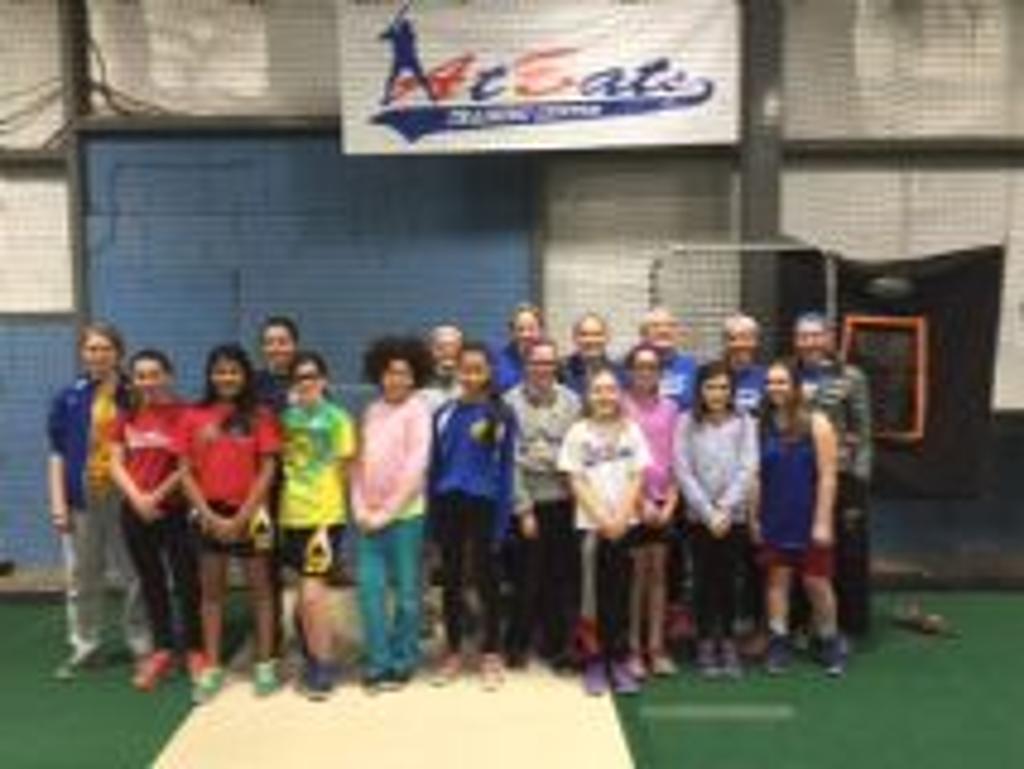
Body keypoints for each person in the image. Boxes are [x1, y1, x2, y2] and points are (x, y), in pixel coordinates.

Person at [177, 344, 282, 703]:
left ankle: (265, 663)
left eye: (234, 371)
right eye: (220, 371)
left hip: (251, 515)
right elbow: (184, 472)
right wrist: (209, 515)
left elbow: (268, 468)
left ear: (245, 375)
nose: (227, 377)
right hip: (210, 515)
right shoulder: (193, 415)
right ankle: (212, 666)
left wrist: (244, 515)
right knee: (211, 595)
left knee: (262, 592)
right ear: (210, 375)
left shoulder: (261, 415)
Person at [47, 322, 149, 680]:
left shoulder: (135, 395)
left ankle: (142, 644)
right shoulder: (68, 397)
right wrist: (58, 504)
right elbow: (57, 454)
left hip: (125, 497)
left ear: (118, 353)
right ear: (82, 353)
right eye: (92, 348)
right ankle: (85, 644)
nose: (98, 355)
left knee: (135, 573)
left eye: (106, 348)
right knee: (83, 575)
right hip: (82, 499)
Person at [110, 349, 203, 691]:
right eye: (141, 376)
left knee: (187, 581)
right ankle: (162, 650)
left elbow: (188, 465)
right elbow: (116, 462)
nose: (147, 382)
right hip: (135, 512)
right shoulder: (127, 416)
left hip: (175, 511)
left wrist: (156, 497)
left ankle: (194, 650)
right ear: (133, 380)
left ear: (168, 376)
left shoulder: (187, 414)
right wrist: (137, 498)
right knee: (151, 581)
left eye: (154, 374)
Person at [428, 342, 516, 690]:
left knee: (486, 579)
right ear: (457, 370)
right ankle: (453, 651)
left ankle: (491, 652)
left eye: (478, 369)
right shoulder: (443, 413)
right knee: (450, 580)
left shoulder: (502, 414)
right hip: (449, 503)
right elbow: (435, 468)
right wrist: (433, 516)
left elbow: (506, 470)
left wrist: (502, 520)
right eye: (466, 369)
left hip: (485, 505)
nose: (471, 376)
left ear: (489, 372)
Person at [558, 368, 649, 696]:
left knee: (620, 595)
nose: (605, 396)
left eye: (611, 389)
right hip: (591, 528)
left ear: (619, 394)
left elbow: (637, 476)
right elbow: (575, 479)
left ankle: (619, 660)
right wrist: (602, 518)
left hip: (625, 526)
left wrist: (621, 516)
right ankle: (594, 661)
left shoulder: (631, 430)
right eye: (598, 390)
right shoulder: (577, 432)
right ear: (588, 395)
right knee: (591, 598)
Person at [755, 360, 846, 676]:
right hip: (774, 515)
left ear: (795, 386)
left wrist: (822, 521)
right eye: (770, 382)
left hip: (809, 516)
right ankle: (778, 641)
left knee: (816, 582)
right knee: (777, 581)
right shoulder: (762, 424)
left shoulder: (817, 423)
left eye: (781, 382)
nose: (775, 388)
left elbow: (828, 476)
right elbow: (756, 476)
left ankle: (829, 639)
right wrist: (755, 518)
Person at [352, 337, 433, 693]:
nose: (396, 379)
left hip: (406, 517)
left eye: (404, 373)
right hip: (368, 519)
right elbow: (358, 464)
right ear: (379, 375)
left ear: (415, 378)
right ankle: (378, 660)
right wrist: (360, 508)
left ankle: (403, 659)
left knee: (407, 595)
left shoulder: (418, 411)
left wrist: (386, 513)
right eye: (389, 372)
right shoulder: (371, 411)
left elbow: (416, 467)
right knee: (369, 591)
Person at [278, 351, 356, 700]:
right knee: (303, 595)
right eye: (299, 377)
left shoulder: (338, 419)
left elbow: (345, 473)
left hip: (324, 518)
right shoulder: (286, 419)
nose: (306, 382)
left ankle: (324, 664)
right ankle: (312, 655)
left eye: (311, 376)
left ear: (323, 380)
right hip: (291, 516)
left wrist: (330, 519)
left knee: (312, 594)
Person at [674, 361, 758, 679]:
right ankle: (706, 640)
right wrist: (708, 512)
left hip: (732, 517)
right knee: (703, 580)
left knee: (730, 580)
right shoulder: (686, 422)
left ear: (732, 391)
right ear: (700, 390)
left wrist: (724, 508)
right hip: (699, 518)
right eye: (711, 387)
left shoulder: (745, 422)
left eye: (724, 387)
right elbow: (682, 469)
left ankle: (729, 640)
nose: (717, 393)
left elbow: (748, 467)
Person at [793, 313, 873, 638]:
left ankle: (847, 625)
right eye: (803, 336)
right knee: (803, 552)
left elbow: (863, 433)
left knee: (846, 552)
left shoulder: (852, 377)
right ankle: (803, 621)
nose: (810, 342)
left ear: (829, 337)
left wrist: (858, 482)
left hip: (843, 478)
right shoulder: (788, 374)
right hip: (799, 477)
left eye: (816, 335)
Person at [503, 338, 581, 671]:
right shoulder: (508, 402)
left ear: (556, 366)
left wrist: (539, 455)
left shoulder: (572, 401)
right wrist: (523, 509)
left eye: (549, 363)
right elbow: (509, 461)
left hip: (563, 500)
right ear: (526, 365)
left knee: (558, 579)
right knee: (525, 578)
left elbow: (575, 452)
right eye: (536, 362)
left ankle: (556, 647)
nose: (543, 369)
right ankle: (517, 645)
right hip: (527, 502)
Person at [621, 344, 680, 680]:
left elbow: (676, 458)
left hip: (663, 504)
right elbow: (621, 459)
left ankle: (656, 648)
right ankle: (633, 649)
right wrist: (639, 501)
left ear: (660, 372)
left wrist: (670, 502)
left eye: (652, 367)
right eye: (640, 366)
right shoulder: (621, 406)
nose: (646, 372)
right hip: (633, 502)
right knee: (636, 578)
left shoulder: (671, 408)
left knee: (659, 577)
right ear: (630, 371)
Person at [639, 306, 699, 412]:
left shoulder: (690, 366)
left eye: (671, 326)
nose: (664, 330)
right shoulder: (629, 367)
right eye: (655, 326)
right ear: (644, 333)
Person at [562, 312, 621, 398]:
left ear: (607, 337)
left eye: (597, 334)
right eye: (584, 335)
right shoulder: (561, 373)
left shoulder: (621, 375)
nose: (591, 340)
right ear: (574, 338)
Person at [254, 316, 300, 414]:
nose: (276, 348)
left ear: (295, 345)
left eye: (283, 342)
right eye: (269, 343)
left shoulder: (309, 380)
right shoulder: (251, 383)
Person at [494, 303, 544, 393]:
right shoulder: (498, 361)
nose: (526, 334)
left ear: (540, 330)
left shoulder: (550, 361)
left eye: (531, 329)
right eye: (520, 329)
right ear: (512, 332)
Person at [723, 314, 766, 415]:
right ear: (725, 342)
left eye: (746, 338)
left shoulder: (767, 377)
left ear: (756, 341)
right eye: (733, 339)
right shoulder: (712, 375)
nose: (740, 344)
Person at [421, 324, 463, 412]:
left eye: (452, 346)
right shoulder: (419, 386)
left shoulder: (471, 386)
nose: (447, 352)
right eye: (440, 347)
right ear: (430, 350)